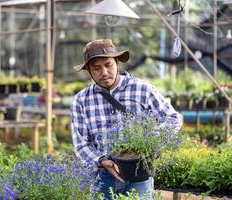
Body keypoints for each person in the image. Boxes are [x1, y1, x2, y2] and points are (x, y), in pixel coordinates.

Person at [70, 39, 182, 199]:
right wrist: (102, 160)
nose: (104, 72)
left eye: (108, 65)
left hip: (139, 175)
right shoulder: (81, 100)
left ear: (117, 62)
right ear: (88, 70)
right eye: (96, 68)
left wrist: (151, 142)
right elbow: (81, 143)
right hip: (103, 177)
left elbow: (173, 118)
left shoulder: (142, 89)